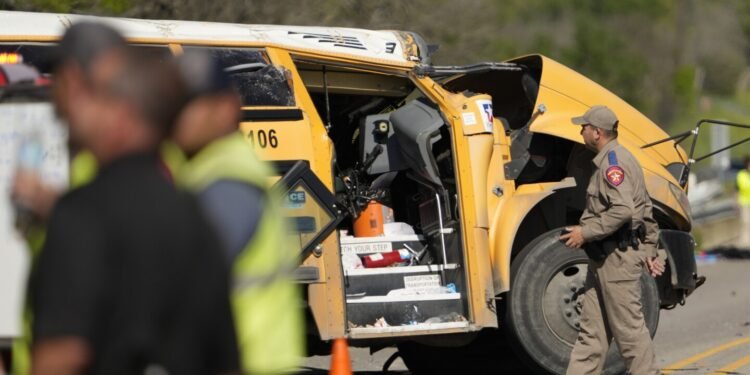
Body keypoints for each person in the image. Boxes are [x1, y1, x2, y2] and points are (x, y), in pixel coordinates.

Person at [29, 23, 239, 375]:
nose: (65, 107)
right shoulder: (193, 213)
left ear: (122, 113)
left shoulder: (83, 214)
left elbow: (61, 356)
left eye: (96, 97)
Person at [173, 51, 304, 375]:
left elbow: (183, 273)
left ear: (228, 107)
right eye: (173, 104)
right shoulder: (200, 166)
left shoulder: (227, 179)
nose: (181, 116)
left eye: (194, 103)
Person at [560, 105, 665, 375]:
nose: (580, 130)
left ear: (597, 133)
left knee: (629, 334)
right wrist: (651, 249)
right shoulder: (619, 158)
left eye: (584, 127)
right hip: (603, 260)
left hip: (617, 261)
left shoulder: (613, 165)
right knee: (591, 338)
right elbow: (645, 208)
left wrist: (585, 233)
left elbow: (624, 210)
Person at [736, 155, 750, 249]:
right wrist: (735, 203)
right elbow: (736, 190)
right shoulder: (741, 175)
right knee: (746, 222)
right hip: (744, 203)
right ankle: (745, 243)